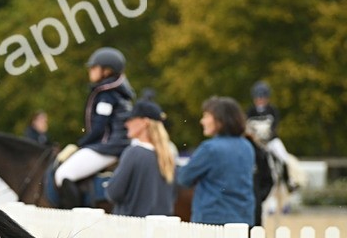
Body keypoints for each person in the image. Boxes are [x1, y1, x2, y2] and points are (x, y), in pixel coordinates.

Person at [54, 47, 135, 208]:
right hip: (114, 145)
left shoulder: (107, 95)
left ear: (106, 71)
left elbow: (99, 129)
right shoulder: (114, 91)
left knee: (62, 174)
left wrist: (79, 145)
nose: (90, 71)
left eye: (94, 67)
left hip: (110, 147)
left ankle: (73, 217)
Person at [176, 97, 255, 226]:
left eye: (206, 116)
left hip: (212, 220)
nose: (202, 121)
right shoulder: (247, 146)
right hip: (242, 219)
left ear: (220, 120)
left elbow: (184, 178)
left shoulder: (210, 148)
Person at [104, 99, 175, 217]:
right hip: (159, 229)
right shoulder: (168, 157)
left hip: (132, 227)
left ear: (144, 122)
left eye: (131, 119)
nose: (126, 124)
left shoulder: (133, 153)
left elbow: (113, 193)